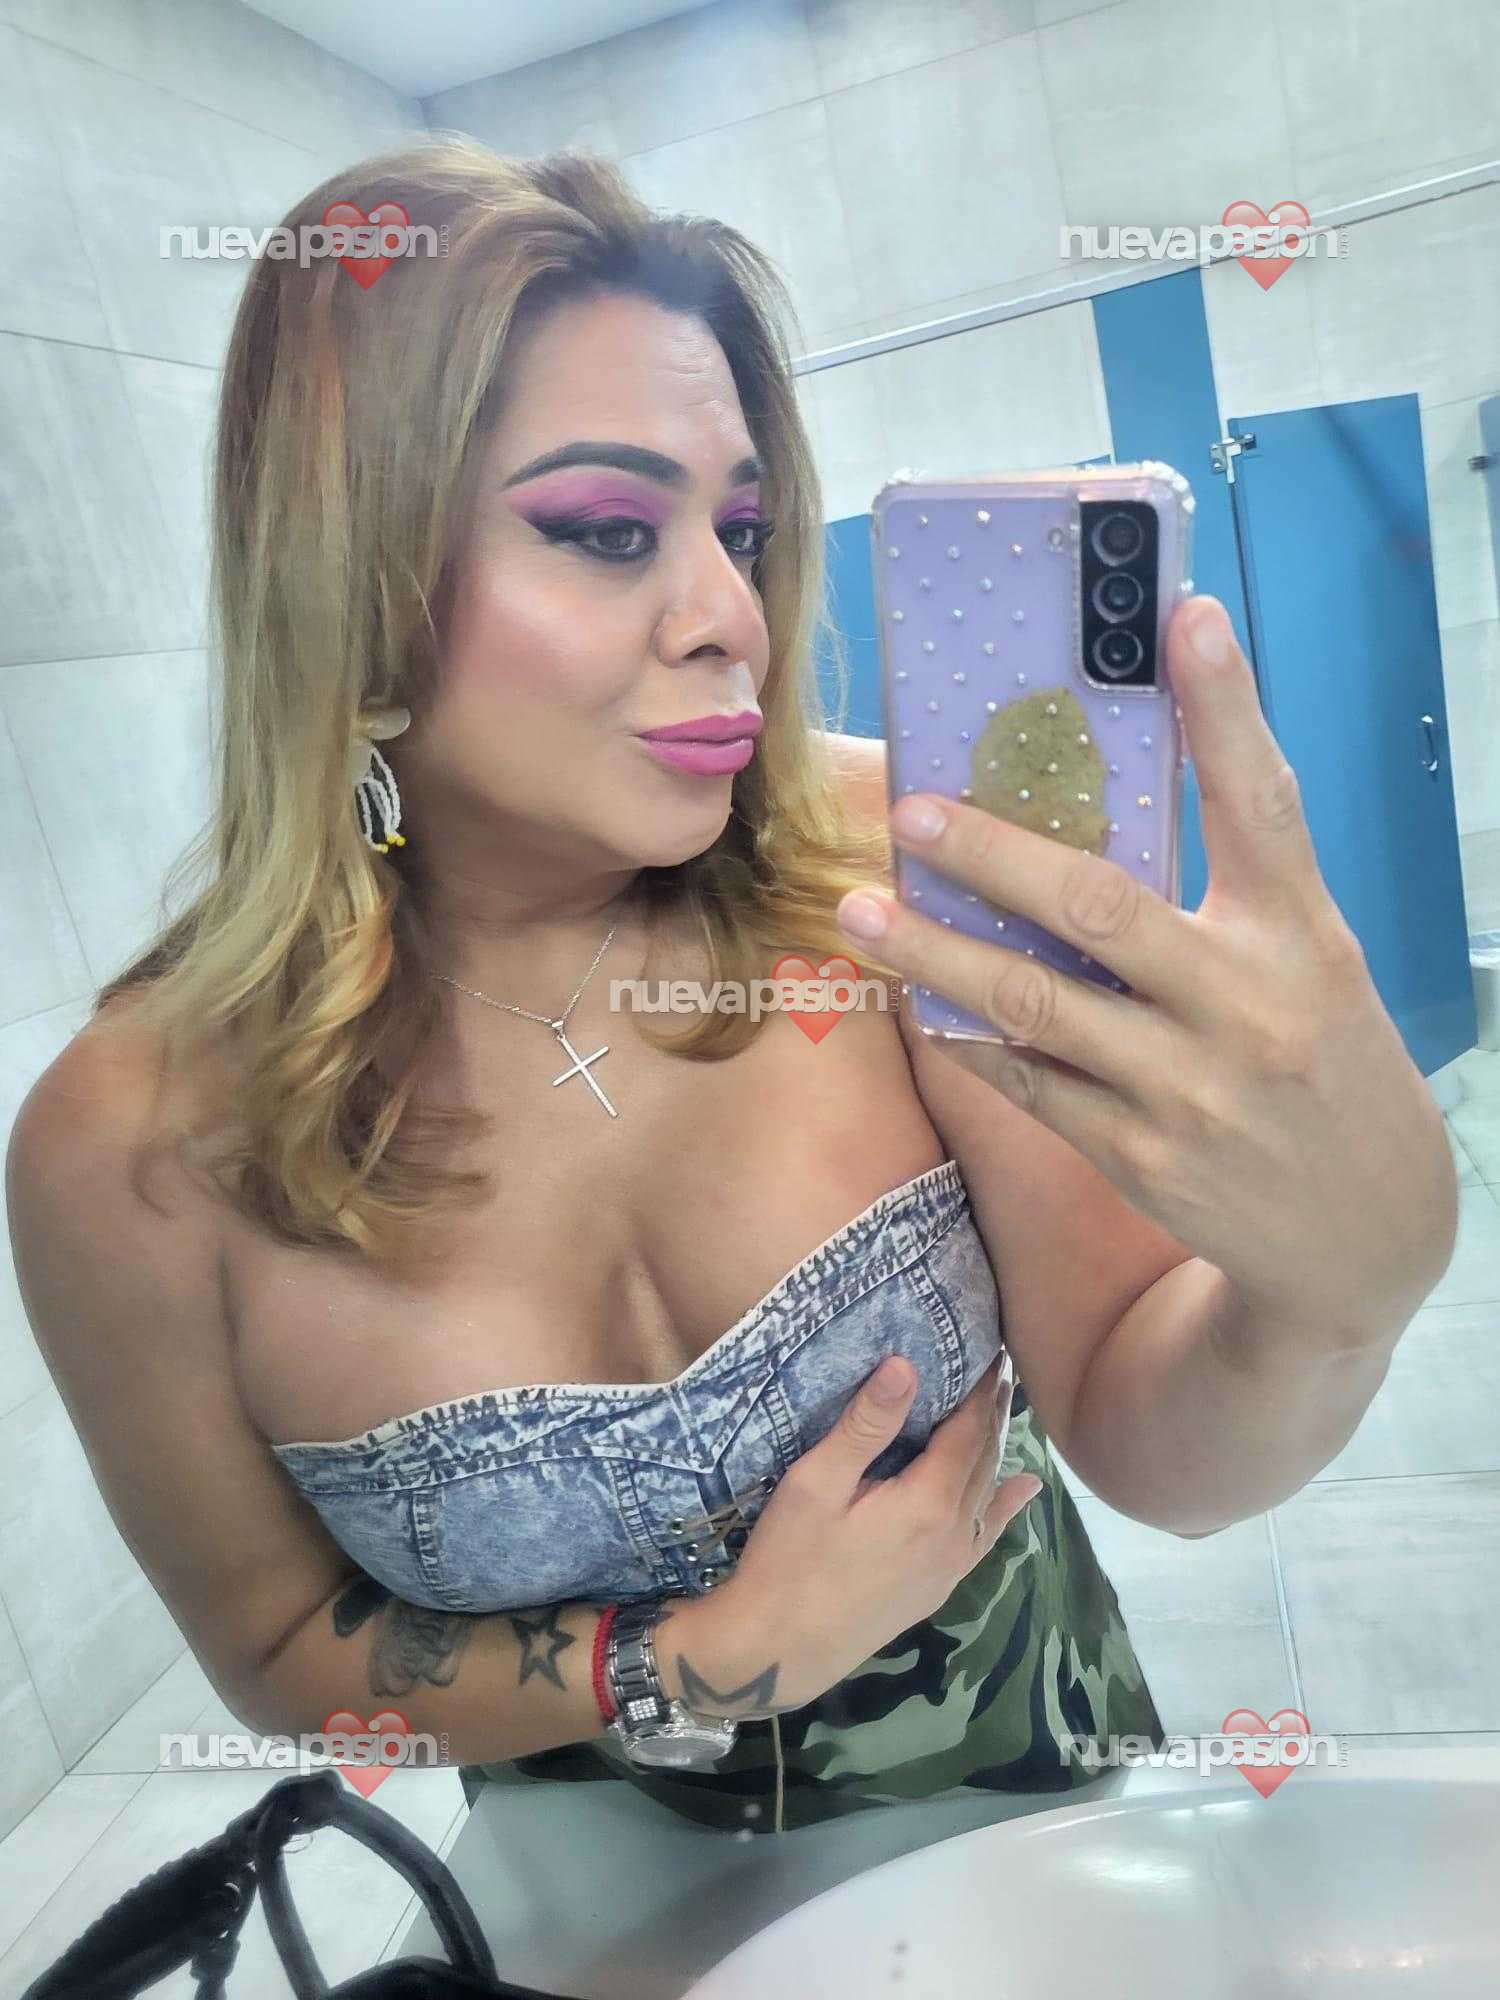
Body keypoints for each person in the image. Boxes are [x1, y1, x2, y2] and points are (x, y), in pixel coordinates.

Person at [6, 138, 1175, 1841]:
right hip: (607, 1934)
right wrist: (690, 1660)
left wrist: (1331, 1283)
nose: (732, 616)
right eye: (609, 530)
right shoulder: (128, 1144)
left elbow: (1160, 1403)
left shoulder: (890, 869)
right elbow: (272, 1644)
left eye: (741, 528)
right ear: (353, 588)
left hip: (1052, 1845)